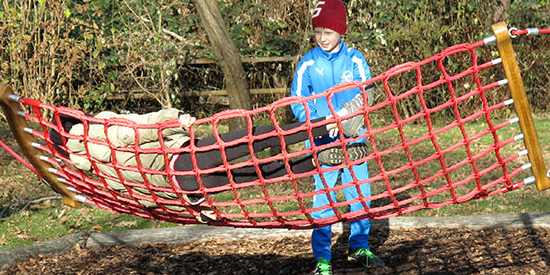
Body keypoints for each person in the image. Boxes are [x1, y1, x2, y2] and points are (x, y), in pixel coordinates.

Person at [47, 95, 368, 221]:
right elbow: (138, 130)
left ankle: (322, 158)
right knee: (255, 139)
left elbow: (142, 195)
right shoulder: (97, 132)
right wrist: (172, 118)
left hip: (186, 186)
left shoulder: (96, 174)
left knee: (262, 171)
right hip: (184, 158)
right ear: (74, 123)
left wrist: (193, 207)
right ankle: (332, 122)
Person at [291, 0, 384, 275]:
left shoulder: (355, 59)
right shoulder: (308, 63)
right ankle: (322, 259)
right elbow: (297, 101)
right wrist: (320, 121)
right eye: (317, 32)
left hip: (354, 137)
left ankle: (359, 246)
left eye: (328, 33)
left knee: (360, 194)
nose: (322, 38)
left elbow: (367, 93)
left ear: (341, 31)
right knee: (324, 201)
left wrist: (343, 116)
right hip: (324, 143)